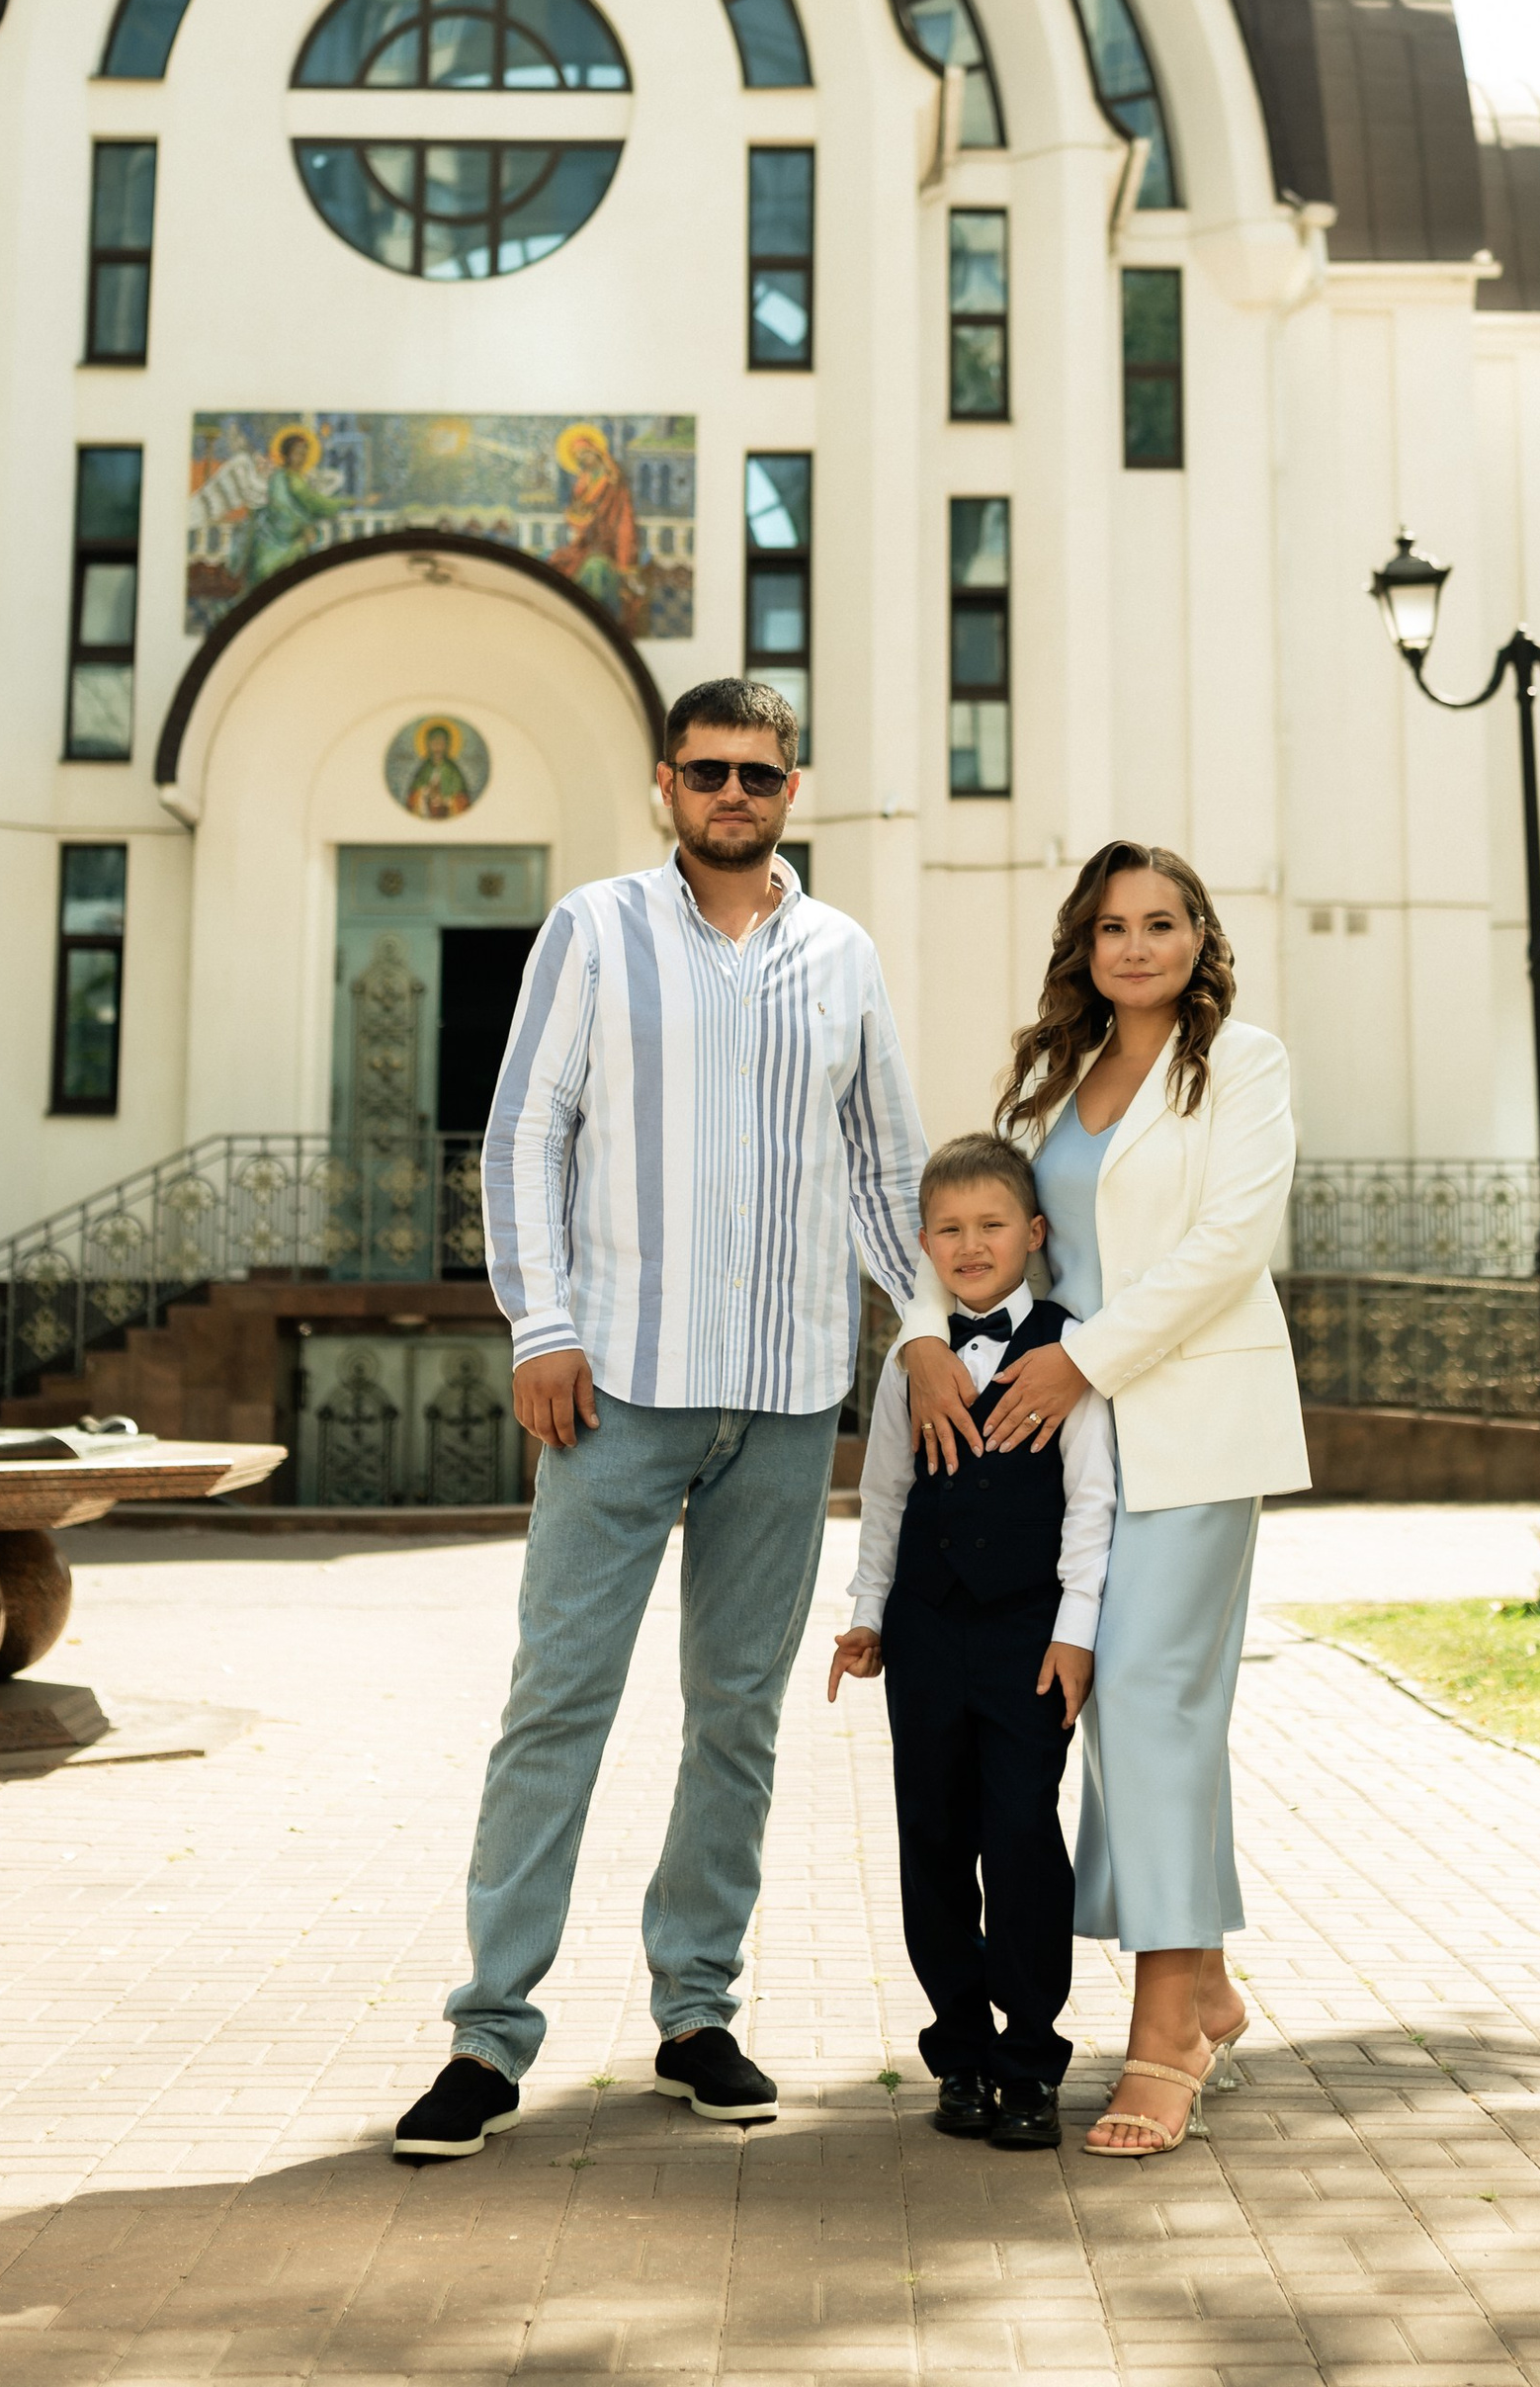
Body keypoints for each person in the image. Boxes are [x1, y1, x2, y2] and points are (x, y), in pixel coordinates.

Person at [391, 677, 928, 2163]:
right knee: (556, 1705)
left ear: (792, 787)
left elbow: (887, 1166)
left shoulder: (842, 957)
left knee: (738, 1722)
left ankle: (697, 2012)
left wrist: (931, 1326)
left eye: (759, 771)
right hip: (614, 1390)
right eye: (709, 771)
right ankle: (489, 2036)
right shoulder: (595, 929)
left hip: (784, 1398)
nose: (734, 792)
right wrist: (541, 1326)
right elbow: (524, 1134)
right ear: (664, 784)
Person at [898, 841, 1308, 2159]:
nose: (1137, 946)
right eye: (1114, 925)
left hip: (1189, 1427)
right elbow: (982, 1229)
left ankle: (1166, 2026)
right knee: (1114, 1706)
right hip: (1062, 1455)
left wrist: (1085, 1356)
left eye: (1163, 921)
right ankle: (1203, 1980)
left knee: (1146, 1702)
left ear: (1200, 935)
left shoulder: (1243, 1064)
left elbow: (1229, 1245)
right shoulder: (1048, 1085)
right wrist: (918, 1336)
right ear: (1083, 942)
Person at [828, 1132, 1114, 2153]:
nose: (971, 1243)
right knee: (935, 1838)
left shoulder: (1068, 1348)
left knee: (1023, 1838)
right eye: (948, 1229)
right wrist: (867, 1614)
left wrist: (1076, 1632)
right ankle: (958, 2049)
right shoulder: (916, 1361)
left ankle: (1031, 2060)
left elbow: (1093, 1503)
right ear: (923, 1244)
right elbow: (886, 1493)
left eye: (991, 1224)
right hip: (928, 1628)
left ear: (1032, 1234)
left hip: (1030, 1636)